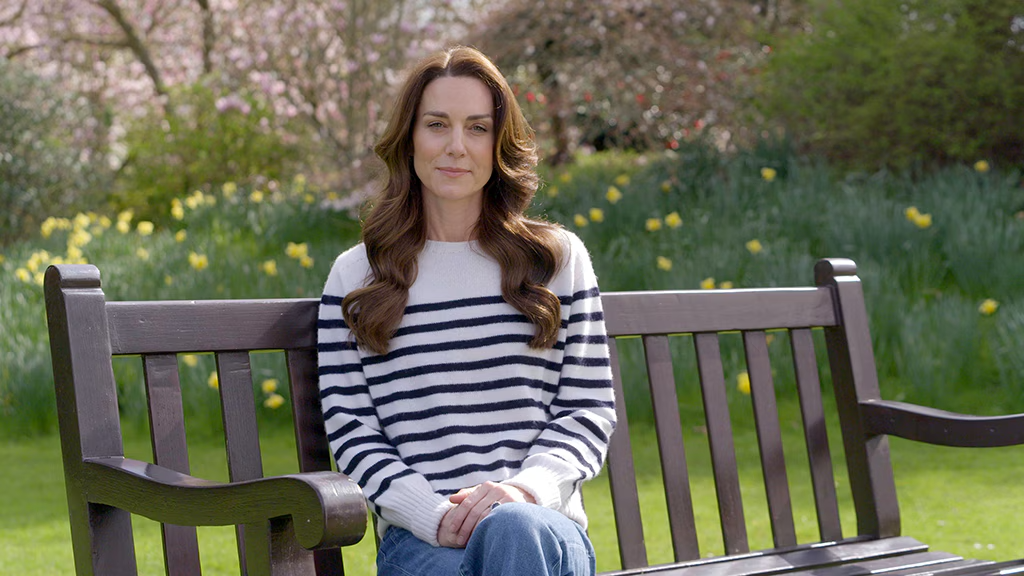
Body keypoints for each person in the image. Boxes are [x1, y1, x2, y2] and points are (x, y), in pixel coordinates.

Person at [317, 45, 616, 576]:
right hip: (423, 542)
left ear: (499, 143)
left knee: (513, 531)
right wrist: (431, 515)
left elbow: (587, 409)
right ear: (409, 137)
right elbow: (352, 428)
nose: (457, 146)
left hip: (542, 528)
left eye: (478, 128)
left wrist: (522, 490)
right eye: (437, 124)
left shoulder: (556, 260)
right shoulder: (357, 275)